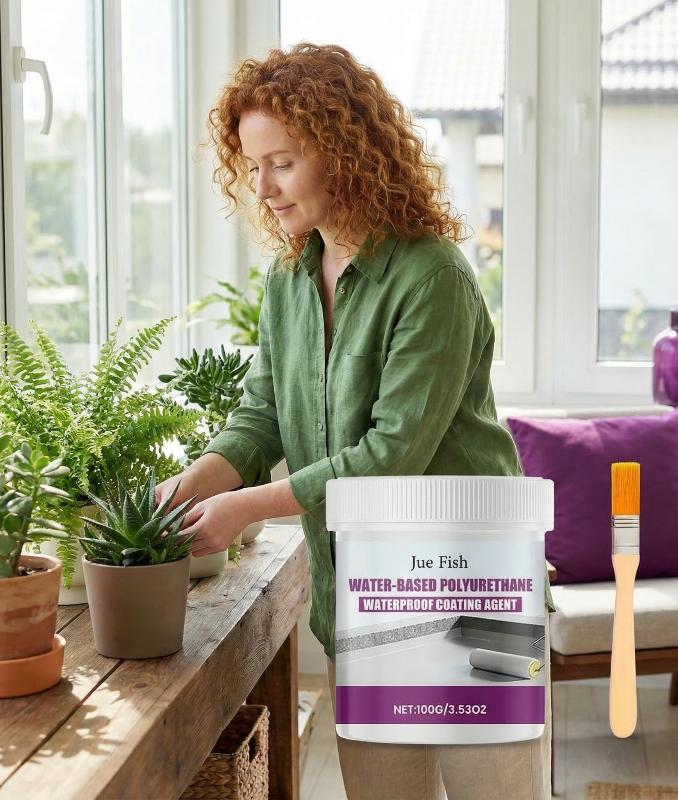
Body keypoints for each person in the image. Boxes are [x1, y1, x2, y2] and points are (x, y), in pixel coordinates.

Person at [156, 42, 554, 800]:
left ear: (343, 151)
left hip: (472, 585)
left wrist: (244, 507)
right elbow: (262, 414)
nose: (263, 187)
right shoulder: (291, 276)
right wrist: (191, 486)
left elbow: (390, 455)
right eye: (253, 165)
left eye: (282, 162)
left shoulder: (432, 275)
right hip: (366, 589)